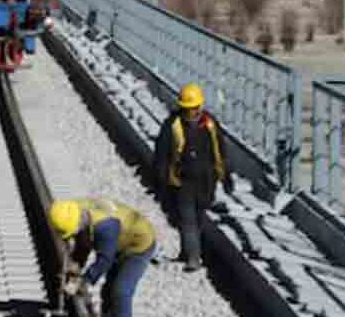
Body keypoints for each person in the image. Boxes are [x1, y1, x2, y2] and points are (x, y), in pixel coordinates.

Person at [152, 82, 231, 271]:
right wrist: (161, 178)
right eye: (187, 109)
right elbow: (162, 154)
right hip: (182, 181)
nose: (191, 113)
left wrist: (227, 176)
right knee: (187, 219)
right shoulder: (172, 125)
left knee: (197, 218)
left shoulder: (210, 125)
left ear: (200, 107)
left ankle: (189, 252)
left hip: (206, 182)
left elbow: (220, 151)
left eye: (193, 109)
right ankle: (193, 257)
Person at [50, 198, 156, 317]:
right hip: (118, 240)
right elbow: (83, 243)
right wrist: (74, 270)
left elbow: (105, 260)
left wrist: (84, 281)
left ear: (78, 222)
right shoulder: (75, 210)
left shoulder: (104, 226)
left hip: (139, 245)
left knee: (121, 291)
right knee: (107, 291)